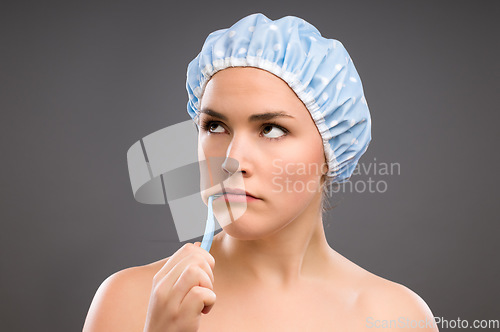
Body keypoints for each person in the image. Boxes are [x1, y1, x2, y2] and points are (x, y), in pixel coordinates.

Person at [83, 13, 438, 331]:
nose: (231, 161)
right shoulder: (128, 302)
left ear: (331, 150)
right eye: (215, 126)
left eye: (271, 129)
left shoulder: (395, 317)